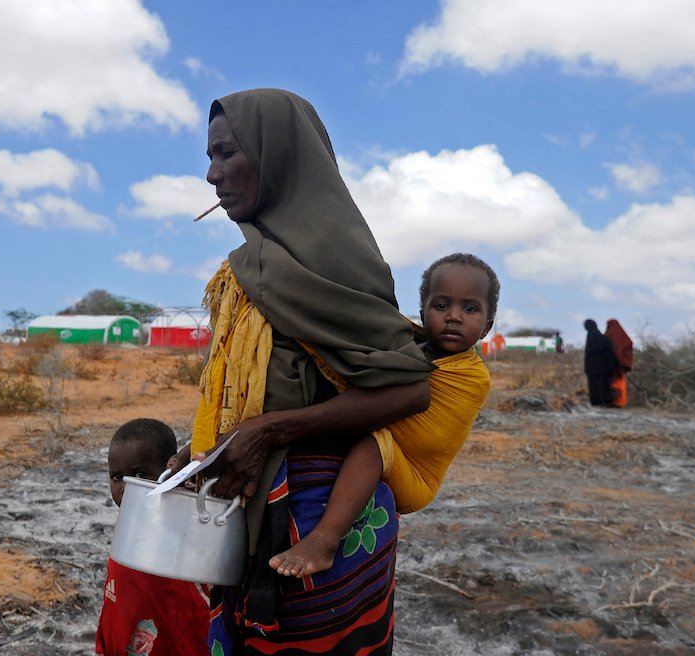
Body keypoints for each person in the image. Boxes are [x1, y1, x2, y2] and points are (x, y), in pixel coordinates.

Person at [179, 89, 434, 655]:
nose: (211, 174)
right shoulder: (249, 263)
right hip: (251, 513)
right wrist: (195, 451)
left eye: (225, 153)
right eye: (208, 158)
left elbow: (410, 389)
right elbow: (243, 388)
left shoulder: (334, 255)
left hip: (325, 528)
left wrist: (271, 432)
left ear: (279, 155)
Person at [269, 253, 498, 578]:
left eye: (470, 309)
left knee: (374, 442)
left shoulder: (472, 378)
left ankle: (324, 540)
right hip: (392, 446)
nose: (454, 317)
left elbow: (408, 419)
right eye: (441, 305)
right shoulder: (408, 349)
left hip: (416, 474)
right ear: (422, 312)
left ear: (487, 326)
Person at [96, 418, 210, 656]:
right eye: (117, 477)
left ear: (171, 470)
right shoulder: (126, 529)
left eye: (140, 474)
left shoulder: (187, 526)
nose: (127, 487)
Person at [583, 319, 616, 406]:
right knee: (603, 385)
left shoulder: (591, 337)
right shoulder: (603, 338)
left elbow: (590, 354)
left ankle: (597, 402)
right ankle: (604, 401)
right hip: (603, 367)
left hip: (594, 367)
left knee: (595, 386)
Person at [605, 319, 633, 408]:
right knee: (620, 382)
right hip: (621, 364)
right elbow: (629, 343)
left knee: (611, 382)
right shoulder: (623, 334)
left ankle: (612, 401)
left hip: (610, 364)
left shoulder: (608, 334)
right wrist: (624, 358)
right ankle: (620, 402)